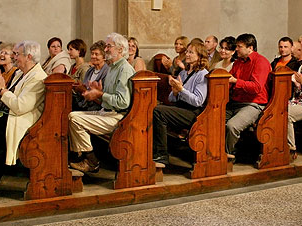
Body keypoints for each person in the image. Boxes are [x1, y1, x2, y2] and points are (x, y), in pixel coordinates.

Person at [68, 33, 135, 173]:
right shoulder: (112, 67)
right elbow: (107, 94)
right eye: (105, 46)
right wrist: (98, 91)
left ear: (121, 49)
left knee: (75, 119)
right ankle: (81, 155)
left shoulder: (124, 69)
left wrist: (100, 94)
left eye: (108, 46)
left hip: (119, 117)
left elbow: (123, 102)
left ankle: (90, 160)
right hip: (107, 111)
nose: (105, 50)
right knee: (71, 115)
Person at [151, 41, 210, 164]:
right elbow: (172, 99)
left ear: (200, 56)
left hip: (194, 112)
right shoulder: (184, 72)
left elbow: (198, 101)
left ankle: (161, 155)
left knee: (158, 112)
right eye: (187, 51)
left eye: (191, 52)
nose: (187, 54)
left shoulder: (202, 74)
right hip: (181, 108)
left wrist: (181, 89)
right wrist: (175, 91)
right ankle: (154, 150)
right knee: (156, 108)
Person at [225, 33, 271, 155]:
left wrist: (235, 81)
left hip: (253, 103)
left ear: (250, 48)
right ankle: (214, 153)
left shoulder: (260, 62)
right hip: (236, 101)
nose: (236, 49)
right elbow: (229, 79)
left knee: (232, 126)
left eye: (239, 47)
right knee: (213, 120)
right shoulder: (238, 62)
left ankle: (227, 155)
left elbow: (256, 87)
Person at [72, 41, 109, 112]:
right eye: (92, 54)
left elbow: (102, 97)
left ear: (104, 57)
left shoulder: (107, 72)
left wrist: (83, 90)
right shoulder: (90, 70)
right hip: (84, 104)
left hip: (97, 107)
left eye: (96, 54)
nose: (93, 56)